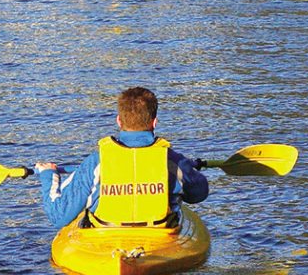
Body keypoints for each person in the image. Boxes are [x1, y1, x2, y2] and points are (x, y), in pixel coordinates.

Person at [36, 86, 209, 229]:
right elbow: (199, 194)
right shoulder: (172, 160)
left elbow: (58, 216)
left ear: (119, 121)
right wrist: (187, 169)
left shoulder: (96, 162)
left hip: (107, 237)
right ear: (154, 122)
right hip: (159, 236)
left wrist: (48, 175)